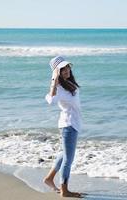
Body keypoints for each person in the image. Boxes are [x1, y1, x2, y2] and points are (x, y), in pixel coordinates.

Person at [43, 56, 83, 198]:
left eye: (67, 67)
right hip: (68, 125)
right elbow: (50, 100)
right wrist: (54, 80)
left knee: (65, 154)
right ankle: (64, 190)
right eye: (62, 69)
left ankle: (49, 179)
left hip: (74, 124)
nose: (66, 70)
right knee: (68, 159)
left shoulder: (69, 83)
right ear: (57, 72)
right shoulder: (59, 87)